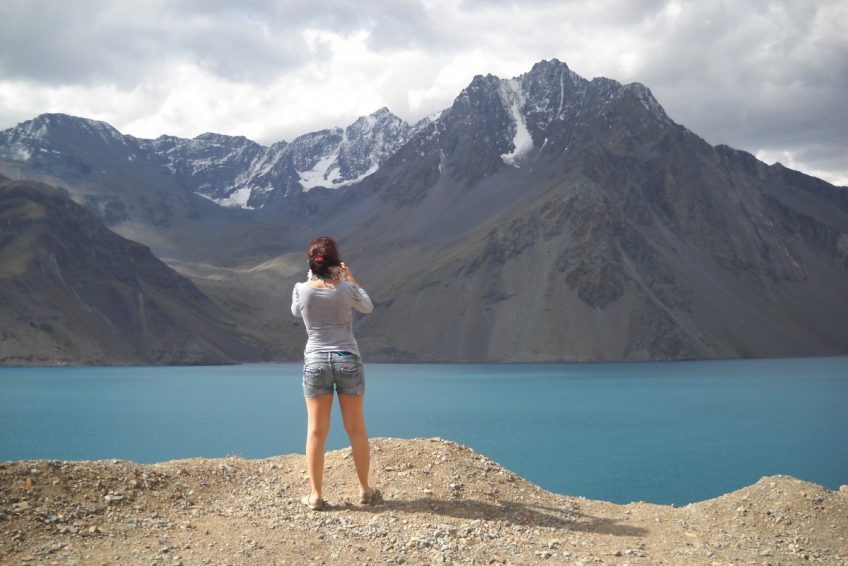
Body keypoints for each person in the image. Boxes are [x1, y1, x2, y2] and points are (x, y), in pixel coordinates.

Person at [290, 236, 377, 510]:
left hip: (315, 362)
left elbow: (295, 312)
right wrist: (349, 277)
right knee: (356, 428)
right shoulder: (346, 289)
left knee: (316, 431)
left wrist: (311, 279)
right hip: (347, 359)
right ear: (335, 263)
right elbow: (367, 306)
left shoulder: (300, 289)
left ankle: (316, 495)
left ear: (311, 263)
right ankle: (364, 490)